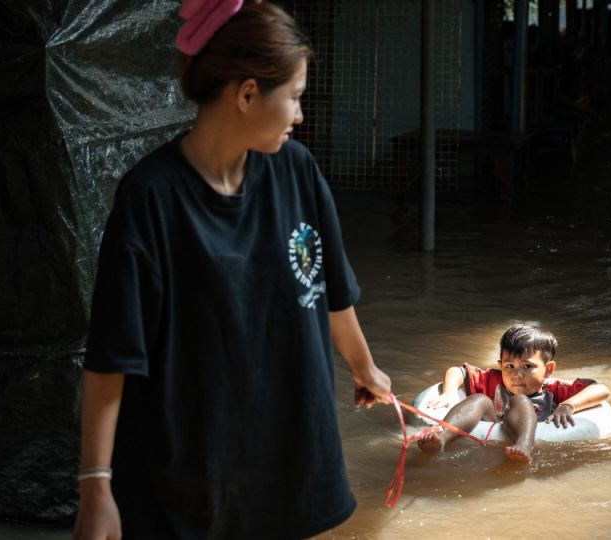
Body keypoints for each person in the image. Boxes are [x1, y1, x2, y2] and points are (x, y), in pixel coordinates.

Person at [71, 1, 393, 539]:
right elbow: (112, 357)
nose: (299, 116)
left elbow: (329, 291)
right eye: (293, 98)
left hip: (293, 456)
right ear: (246, 94)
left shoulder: (297, 171)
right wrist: (96, 488)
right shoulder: (150, 199)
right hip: (191, 478)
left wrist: (365, 368)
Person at [417, 323, 609, 463]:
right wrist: (450, 393)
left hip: (534, 433)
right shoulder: (495, 380)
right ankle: (442, 437)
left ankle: (525, 444)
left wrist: (568, 405)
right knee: (480, 399)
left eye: (527, 366)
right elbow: (457, 371)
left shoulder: (555, 390)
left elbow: (601, 390)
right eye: (509, 366)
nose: (517, 374)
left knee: (520, 401)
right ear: (500, 366)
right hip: (494, 426)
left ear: (548, 369)